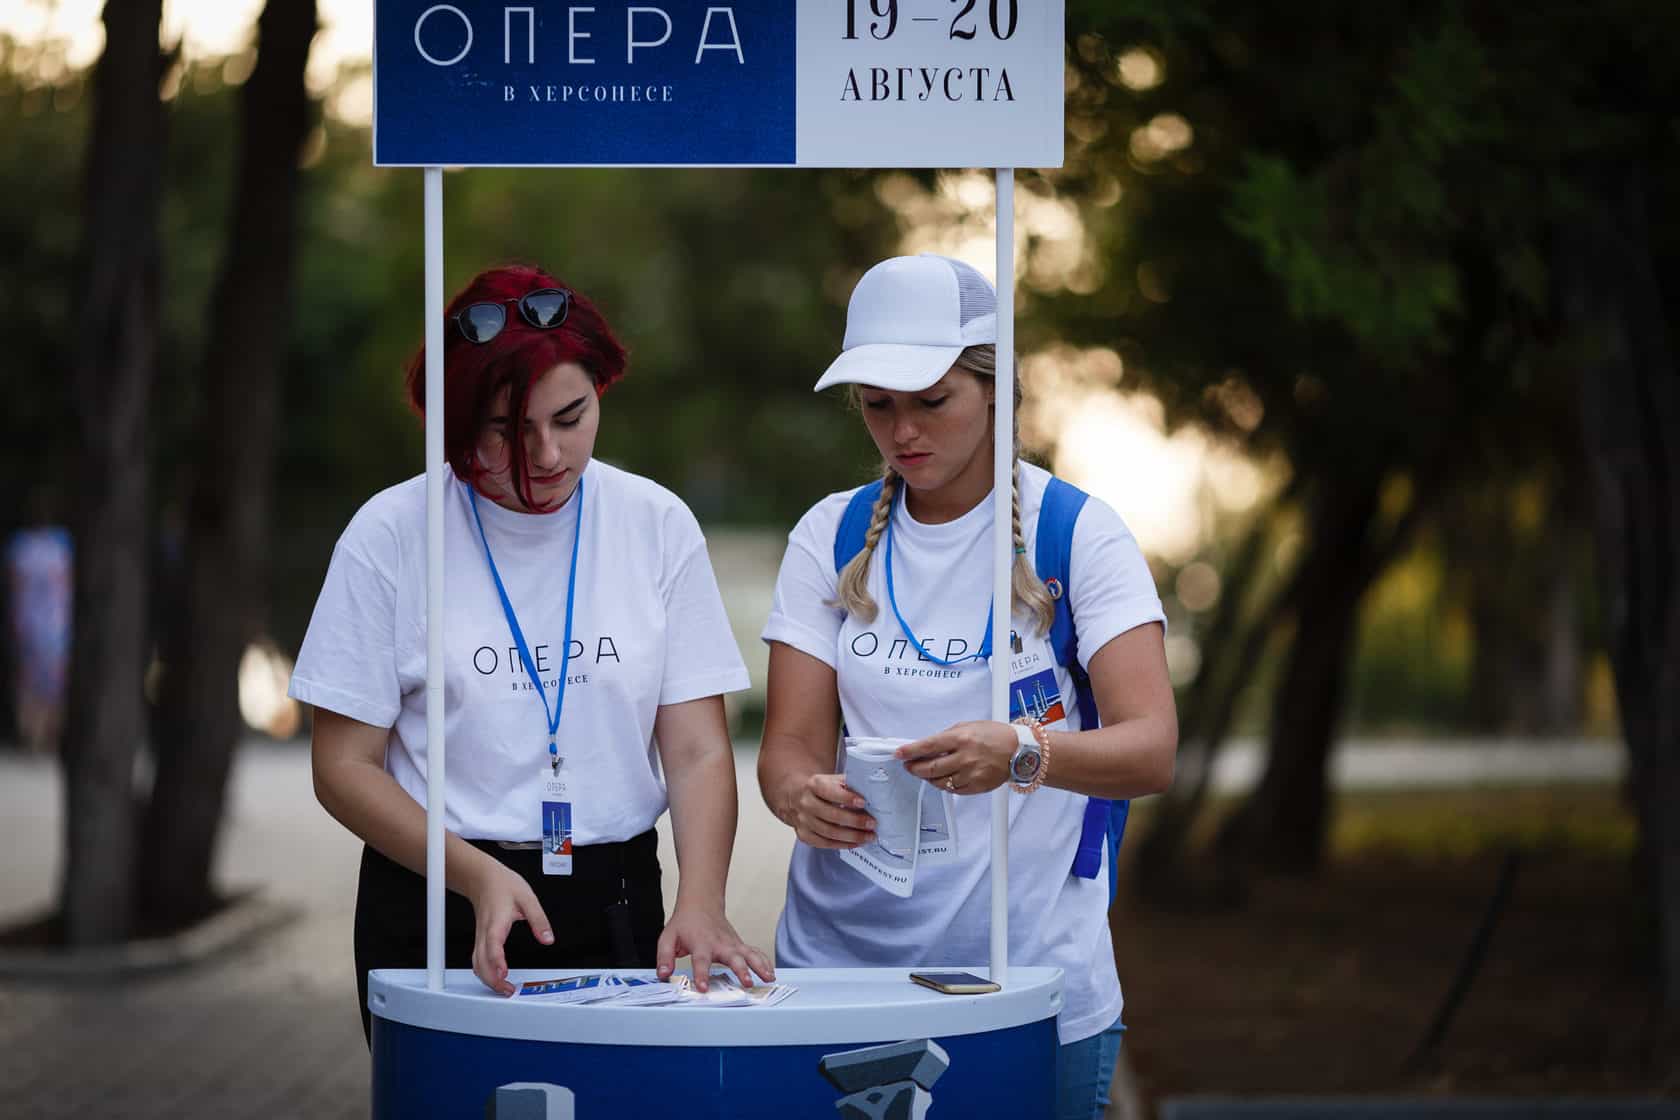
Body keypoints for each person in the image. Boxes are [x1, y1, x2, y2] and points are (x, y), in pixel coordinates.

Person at [289, 264, 772, 1042]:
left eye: (570, 418)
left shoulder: (656, 523)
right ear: (455, 421)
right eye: (507, 431)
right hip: (436, 891)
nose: (546, 454)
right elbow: (342, 767)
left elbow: (695, 749)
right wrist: (477, 877)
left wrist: (702, 901)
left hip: (616, 894)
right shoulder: (391, 533)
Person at [757, 254, 1177, 1120]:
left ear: (997, 389)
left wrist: (1022, 751)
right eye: (879, 405)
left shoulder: (1077, 535)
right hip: (836, 983)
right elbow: (787, 749)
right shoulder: (828, 534)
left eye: (932, 400)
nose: (903, 430)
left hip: (1029, 987)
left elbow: (1152, 748)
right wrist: (802, 796)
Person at [6, 514, 72, 755]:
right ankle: (40, 740)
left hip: (38, 626)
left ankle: (37, 740)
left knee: (36, 687)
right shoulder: (59, 544)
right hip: (50, 627)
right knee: (46, 688)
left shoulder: (22, 547)